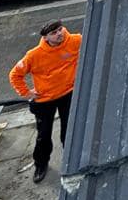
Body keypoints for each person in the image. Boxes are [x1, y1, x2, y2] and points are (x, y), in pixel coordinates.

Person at [8, 19, 81, 184]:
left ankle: (71, 161)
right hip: (44, 99)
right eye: (53, 33)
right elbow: (15, 75)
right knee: (43, 135)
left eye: (60, 30)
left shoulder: (75, 41)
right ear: (46, 37)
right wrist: (26, 93)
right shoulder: (34, 55)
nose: (59, 34)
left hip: (68, 94)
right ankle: (41, 164)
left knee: (70, 131)